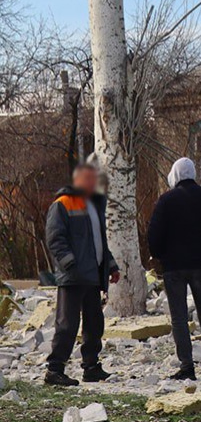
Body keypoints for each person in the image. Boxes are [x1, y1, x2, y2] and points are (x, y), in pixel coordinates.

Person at [147, 157, 201, 381]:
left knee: (179, 317)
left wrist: (160, 254)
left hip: (174, 267)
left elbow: (154, 233)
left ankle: (187, 365)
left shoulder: (167, 200)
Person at [44, 163, 120, 387]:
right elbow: (55, 239)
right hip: (74, 276)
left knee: (94, 323)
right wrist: (71, 265)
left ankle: (91, 366)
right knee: (67, 324)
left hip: (93, 276)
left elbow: (100, 243)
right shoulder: (63, 204)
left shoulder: (93, 206)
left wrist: (112, 266)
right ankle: (55, 369)